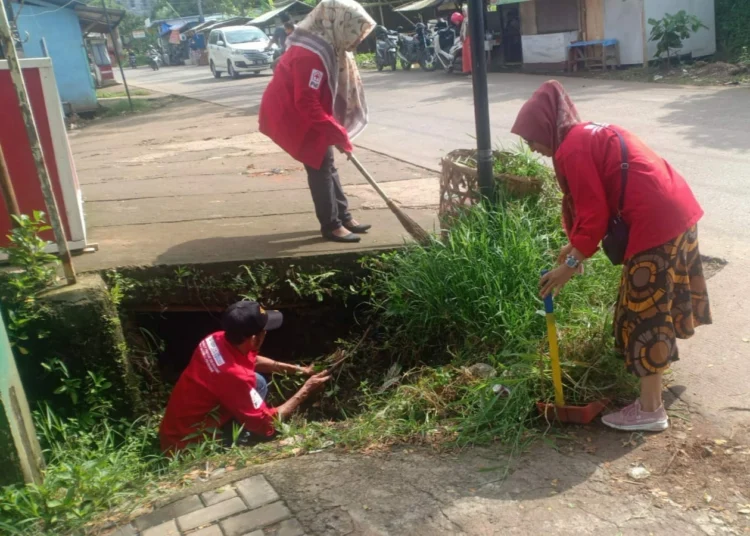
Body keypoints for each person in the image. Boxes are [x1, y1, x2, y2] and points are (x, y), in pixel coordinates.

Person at [512, 80, 711, 432]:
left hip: (656, 223)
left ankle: (651, 410)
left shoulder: (570, 149)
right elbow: (601, 198)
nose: (533, 150)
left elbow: (594, 214)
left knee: (644, 311)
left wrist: (569, 267)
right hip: (676, 210)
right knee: (662, 301)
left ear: (546, 128)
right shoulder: (586, 134)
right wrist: (573, 247)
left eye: (532, 140)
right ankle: (656, 384)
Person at [259, 0, 376, 243]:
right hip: (291, 114)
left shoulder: (324, 47)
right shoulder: (309, 56)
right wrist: (337, 132)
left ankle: (343, 216)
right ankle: (331, 225)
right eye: (355, 31)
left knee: (327, 163)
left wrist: (334, 132)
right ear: (339, 24)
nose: (357, 39)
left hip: (307, 112)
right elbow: (306, 102)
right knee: (320, 165)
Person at [159, 301, 331, 454]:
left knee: (259, 382)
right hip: (187, 447)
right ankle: (241, 442)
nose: (267, 333)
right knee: (259, 416)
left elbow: (253, 359)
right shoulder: (236, 377)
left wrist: (300, 370)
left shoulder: (215, 339)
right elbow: (267, 423)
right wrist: (306, 390)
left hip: (175, 428)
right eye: (265, 331)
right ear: (255, 338)